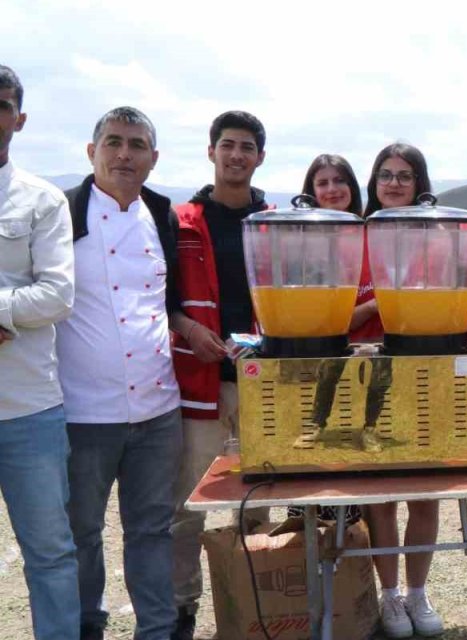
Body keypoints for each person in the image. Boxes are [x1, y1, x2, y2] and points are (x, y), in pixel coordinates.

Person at [58, 107, 185, 640]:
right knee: (82, 532)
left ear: (153, 159)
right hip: (85, 411)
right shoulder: (63, 214)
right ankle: (89, 625)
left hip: (159, 408)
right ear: (92, 152)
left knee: (152, 530)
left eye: (136, 145)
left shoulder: (163, 214)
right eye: (113, 142)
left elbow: (167, 301)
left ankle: (156, 630)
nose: (124, 154)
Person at [167, 110, 272, 639]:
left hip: (260, 383)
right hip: (200, 382)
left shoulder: (274, 222)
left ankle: (259, 599)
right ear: (211, 152)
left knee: (259, 496)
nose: (236, 155)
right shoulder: (179, 221)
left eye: (247, 147)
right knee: (188, 500)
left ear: (259, 157)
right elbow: (156, 298)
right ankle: (181, 607)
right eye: (227, 145)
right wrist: (187, 327)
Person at [0, 64, 80, 640]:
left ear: (19, 119)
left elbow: (57, 294)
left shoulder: (42, 200)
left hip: (27, 409)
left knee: (50, 554)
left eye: (2, 105)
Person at [359, 142, 445, 639]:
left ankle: (418, 591)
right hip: (368, 372)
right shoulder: (357, 236)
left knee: (426, 491)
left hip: (423, 371)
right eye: (386, 174)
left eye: (404, 175)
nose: (394, 182)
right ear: (374, 182)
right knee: (382, 493)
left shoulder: (437, 235)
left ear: (419, 183)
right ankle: (389, 595)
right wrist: (379, 306)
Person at [284, 153, 366, 525]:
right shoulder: (303, 244)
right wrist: (381, 302)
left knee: (363, 477)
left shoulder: (370, 235)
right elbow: (325, 317)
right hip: (317, 369)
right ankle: (309, 563)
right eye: (323, 183)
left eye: (339, 181)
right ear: (311, 191)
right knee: (316, 466)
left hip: (369, 372)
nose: (332, 190)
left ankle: (355, 567)